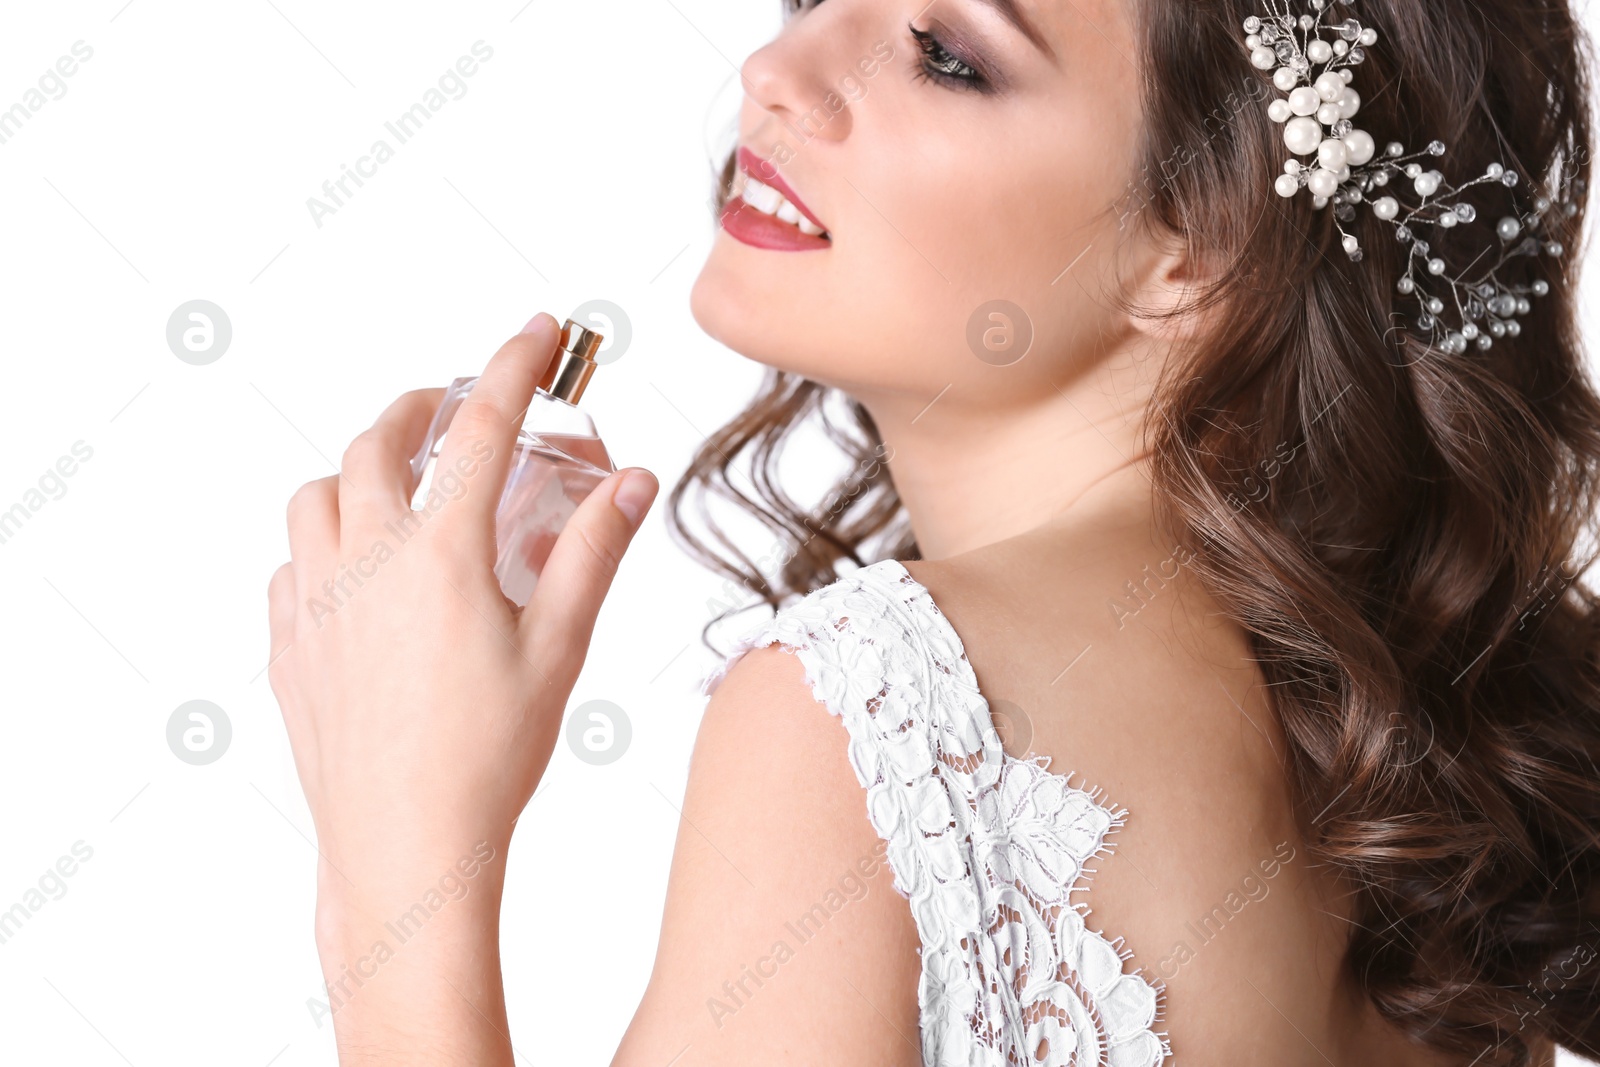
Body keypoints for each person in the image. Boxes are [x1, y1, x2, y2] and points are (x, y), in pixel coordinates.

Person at [266, 0, 1600, 1062]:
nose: (778, 67)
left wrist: (401, 870)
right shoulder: (1428, 779)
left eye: (945, 55)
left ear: (1200, 238)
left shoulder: (888, 709)